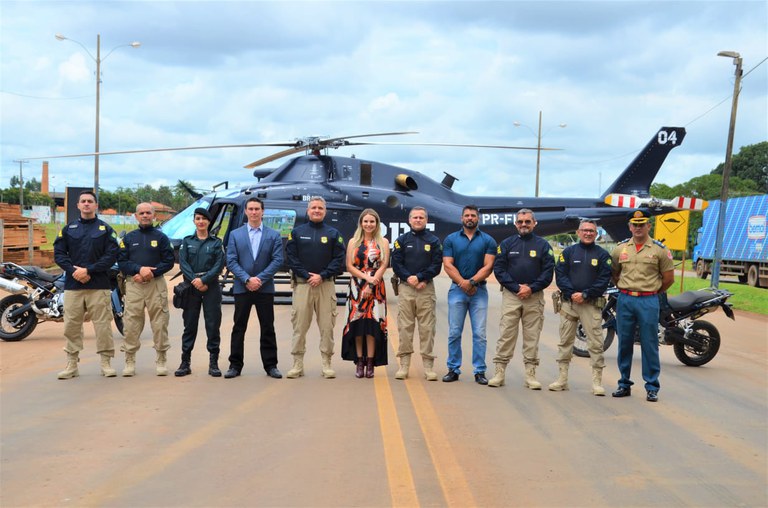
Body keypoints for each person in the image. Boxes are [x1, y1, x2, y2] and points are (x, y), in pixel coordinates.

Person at [54, 190, 120, 379]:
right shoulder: (68, 229)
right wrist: (75, 271)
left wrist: (89, 270)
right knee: (71, 326)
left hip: (98, 285)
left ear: (96, 205)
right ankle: (72, 364)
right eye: (83, 201)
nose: (86, 204)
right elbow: (59, 254)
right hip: (73, 286)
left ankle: (106, 363)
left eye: (90, 201)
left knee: (103, 326)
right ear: (78, 205)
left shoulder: (105, 230)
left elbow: (111, 255)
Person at [610, 210, 674, 402]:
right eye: (634, 224)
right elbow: (615, 273)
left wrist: (651, 291)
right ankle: (624, 383)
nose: (638, 228)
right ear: (630, 226)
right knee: (624, 343)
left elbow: (668, 279)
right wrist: (625, 289)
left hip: (648, 300)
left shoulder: (659, 250)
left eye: (642, 224)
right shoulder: (619, 249)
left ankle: (652, 386)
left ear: (649, 226)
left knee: (649, 343)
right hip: (626, 299)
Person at [489, 208, 555, 389]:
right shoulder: (507, 244)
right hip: (512, 296)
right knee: (506, 335)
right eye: (520, 222)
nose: (524, 224)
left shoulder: (543, 245)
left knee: (532, 337)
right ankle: (499, 372)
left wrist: (531, 288)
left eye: (527, 221)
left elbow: (548, 272)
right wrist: (517, 288)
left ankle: (530, 375)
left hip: (534, 297)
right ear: (515, 224)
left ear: (534, 223)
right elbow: (499, 270)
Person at [284, 196, 346, 379]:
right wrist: (306, 275)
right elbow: (291, 258)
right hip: (303, 286)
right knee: (299, 327)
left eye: (320, 208)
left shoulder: (334, 234)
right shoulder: (296, 232)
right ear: (308, 210)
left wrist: (322, 275)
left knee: (327, 327)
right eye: (313, 208)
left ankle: (327, 363)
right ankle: (297, 364)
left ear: (325, 211)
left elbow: (338, 259)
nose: (317, 211)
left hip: (325, 286)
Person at [549, 219, 612, 395]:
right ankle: (562, 379)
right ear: (578, 232)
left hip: (590, 305)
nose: (588, 233)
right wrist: (572, 293)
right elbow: (560, 275)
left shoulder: (603, 255)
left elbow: (603, 280)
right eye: (585, 230)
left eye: (592, 231)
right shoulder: (568, 252)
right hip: (569, 304)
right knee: (565, 342)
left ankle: (597, 383)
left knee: (596, 343)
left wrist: (585, 295)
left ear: (596, 234)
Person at [225, 197, 284, 379]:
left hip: (264, 288)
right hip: (242, 288)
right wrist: (246, 279)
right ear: (246, 211)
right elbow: (231, 260)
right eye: (250, 209)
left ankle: (271, 365)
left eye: (257, 209)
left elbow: (277, 260)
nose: (253, 212)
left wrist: (259, 278)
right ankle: (235, 365)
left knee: (267, 327)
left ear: (263, 211)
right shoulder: (236, 234)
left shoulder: (274, 235)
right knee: (238, 327)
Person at [117, 203, 175, 377]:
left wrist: (150, 272)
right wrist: (138, 270)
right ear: (136, 216)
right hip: (134, 284)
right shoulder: (128, 238)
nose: (145, 215)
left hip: (155, 284)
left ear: (154, 215)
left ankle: (161, 359)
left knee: (159, 322)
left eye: (148, 213)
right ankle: (129, 361)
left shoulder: (162, 237)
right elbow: (122, 261)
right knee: (131, 323)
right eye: (141, 213)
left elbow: (168, 261)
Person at [442, 205, 497, 384]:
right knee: (454, 332)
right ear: (461, 218)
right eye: (467, 215)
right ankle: (453, 369)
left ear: (478, 219)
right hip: (457, 290)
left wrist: (472, 282)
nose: (470, 218)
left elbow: (488, 266)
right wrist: (462, 283)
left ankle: (479, 371)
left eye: (473, 215)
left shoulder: (488, 240)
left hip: (479, 291)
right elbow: (448, 265)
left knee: (480, 333)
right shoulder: (451, 239)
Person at [391, 206, 443, 381]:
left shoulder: (434, 241)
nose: (418, 220)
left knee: (427, 328)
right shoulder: (401, 240)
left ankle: (428, 367)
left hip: (425, 289)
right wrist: (409, 278)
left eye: (421, 217)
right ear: (409, 220)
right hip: (406, 288)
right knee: (405, 328)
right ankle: (404, 366)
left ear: (426, 220)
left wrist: (421, 278)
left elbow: (436, 265)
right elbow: (396, 263)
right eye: (415, 217)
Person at [175, 207, 225, 377]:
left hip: (210, 287)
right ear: (194, 221)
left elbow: (219, 265)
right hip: (191, 287)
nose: (201, 222)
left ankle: (214, 363)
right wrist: (195, 281)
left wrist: (204, 280)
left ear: (209, 222)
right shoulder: (187, 241)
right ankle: (185, 362)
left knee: (212, 325)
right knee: (189, 325)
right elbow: (183, 263)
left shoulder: (216, 243)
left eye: (204, 219)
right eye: (198, 219)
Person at [341, 209, 390, 378]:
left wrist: (372, 281)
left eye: (372, 221)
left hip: (377, 287)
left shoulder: (383, 242)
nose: (369, 224)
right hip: (356, 288)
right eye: (366, 221)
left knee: (372, 326)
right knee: (358, 326)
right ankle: (359, 361)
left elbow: (383, 265)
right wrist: (366, 279)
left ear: (377, 224)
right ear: (361, 223)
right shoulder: (353, 242)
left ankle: (370, 362)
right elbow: (349, 266)